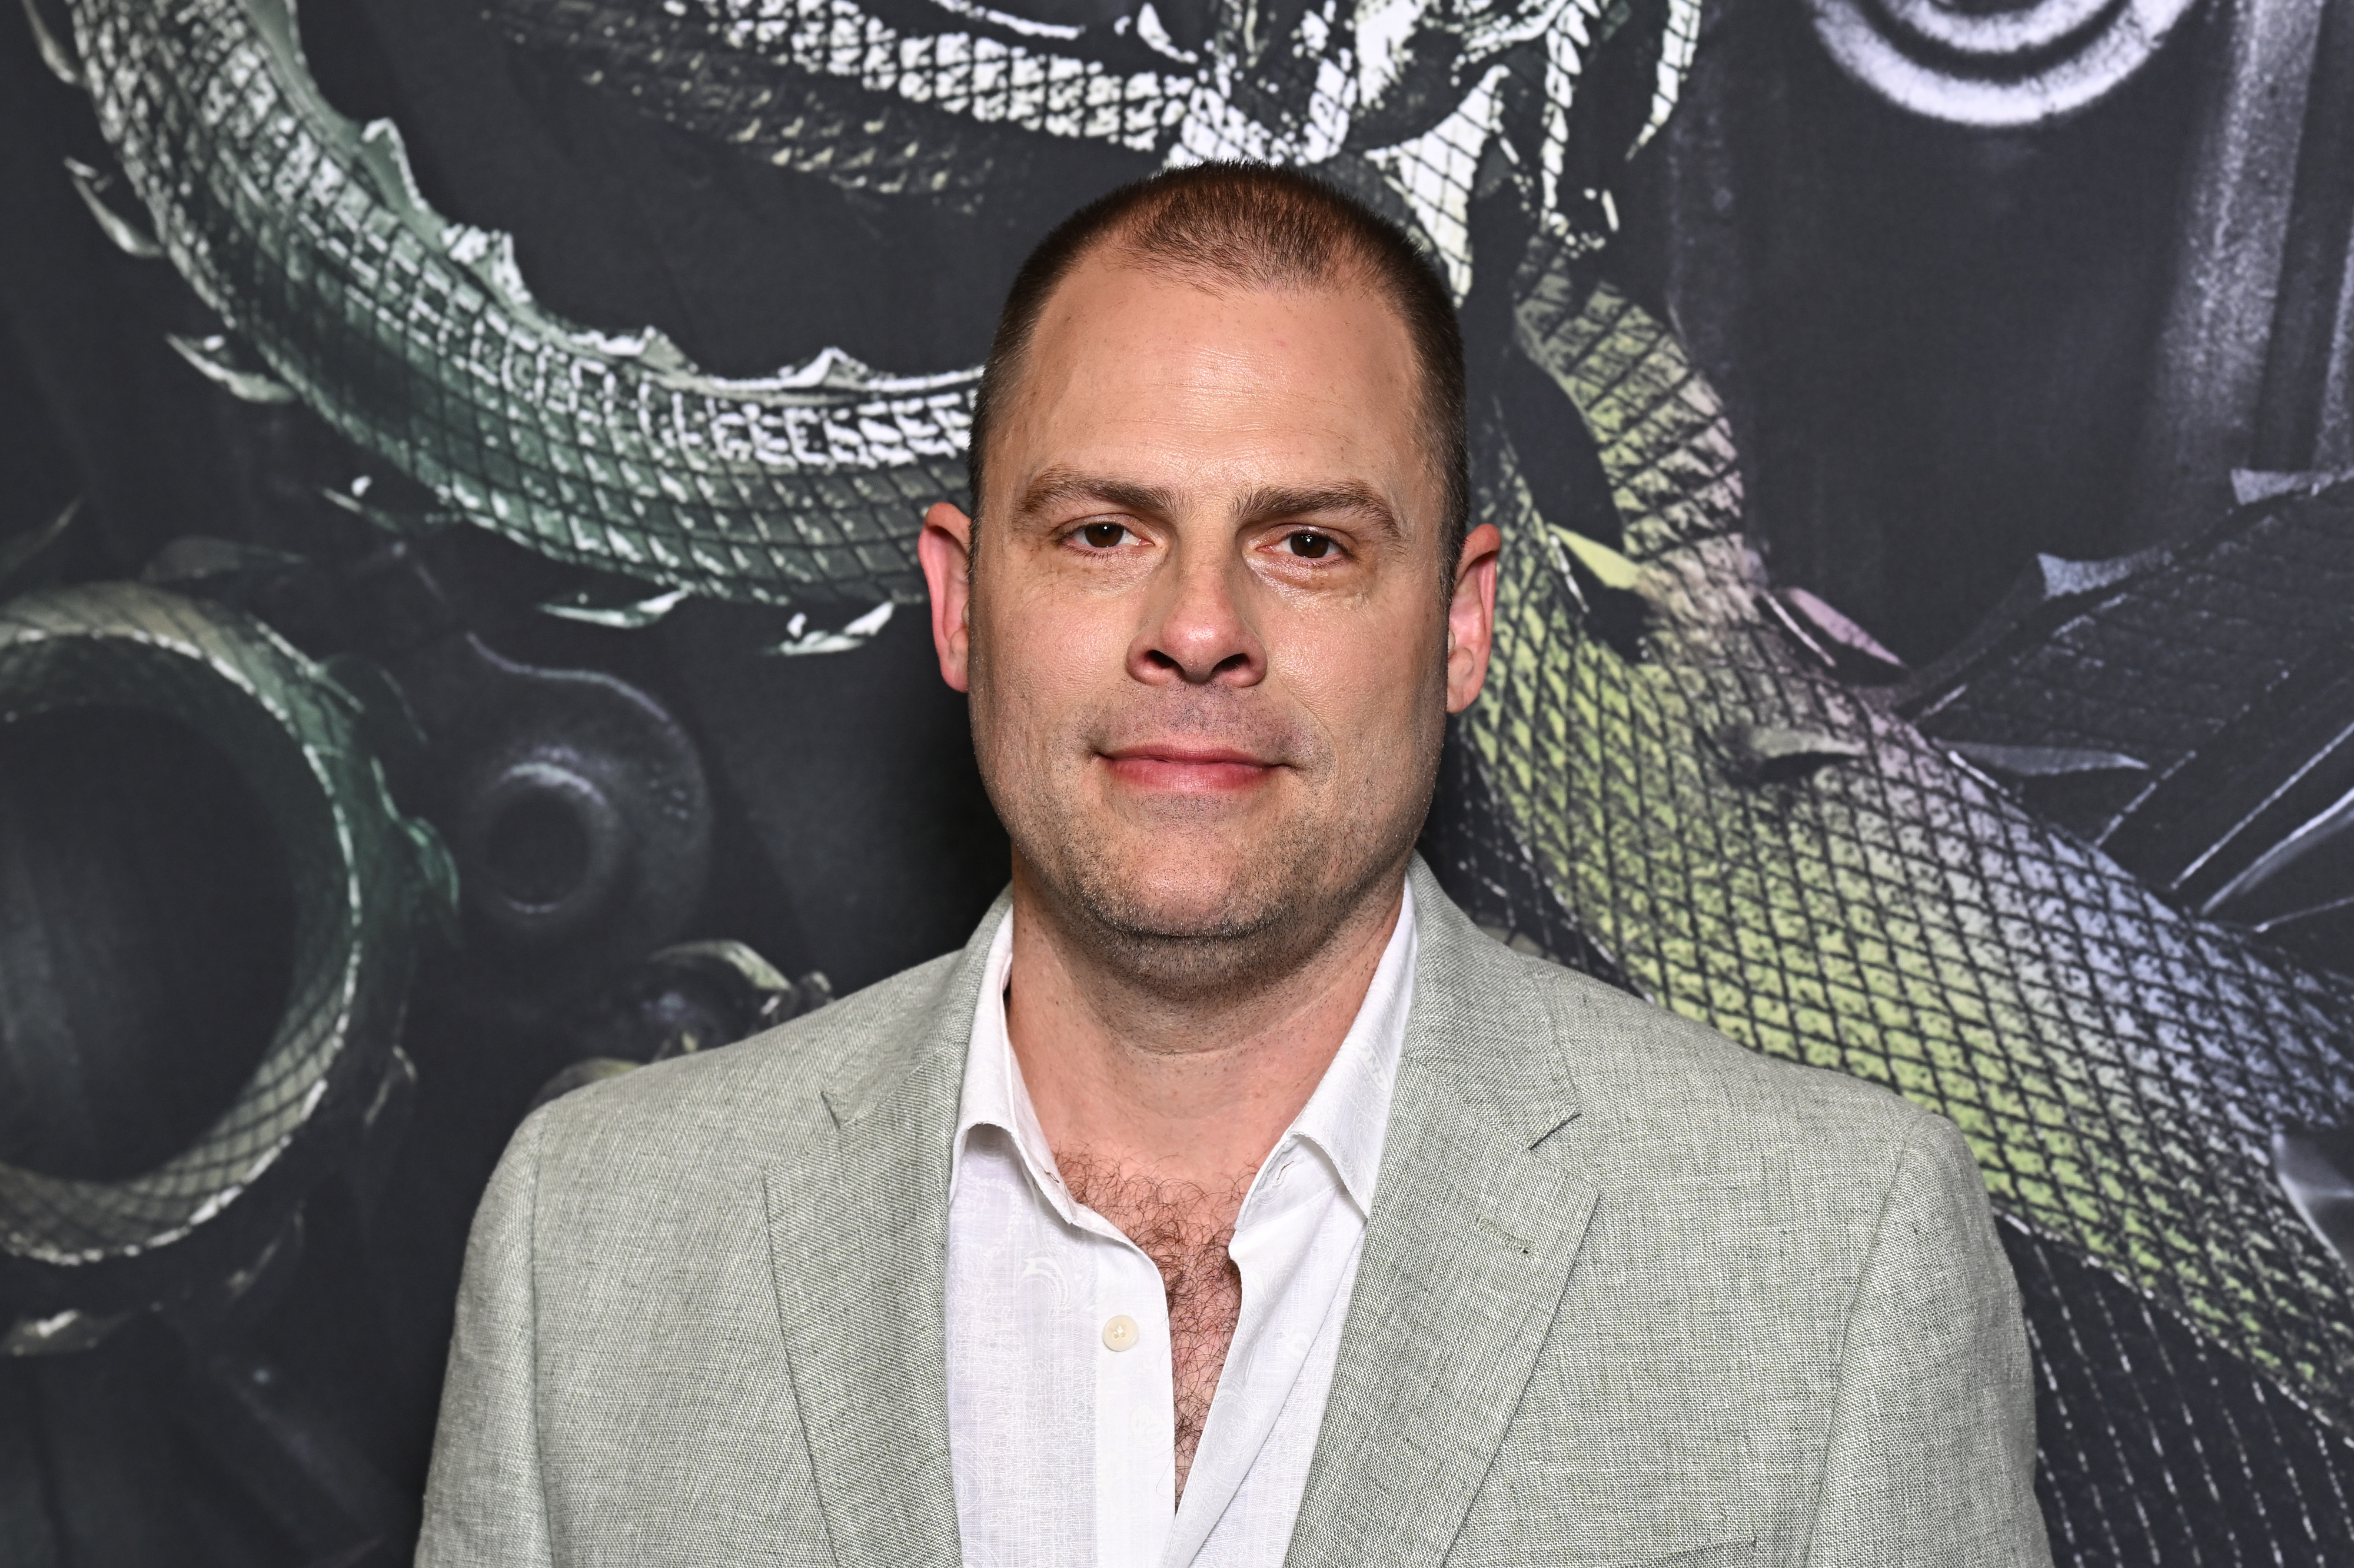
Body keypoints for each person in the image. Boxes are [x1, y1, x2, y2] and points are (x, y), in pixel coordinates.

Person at [417, 163, 2048, 1567]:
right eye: (1102, 532)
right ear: (960, 600)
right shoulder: (596, 1244)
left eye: (1310, 544)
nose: (1199, 629)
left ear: (1465, 620)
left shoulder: (1835, 1255)